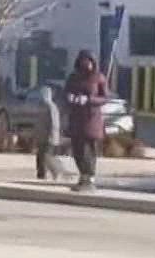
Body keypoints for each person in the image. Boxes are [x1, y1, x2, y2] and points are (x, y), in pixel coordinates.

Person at [62, 50, 108, 192]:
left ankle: (89, 178)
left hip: (91, 120)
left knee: (89, 150)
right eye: (83, 61)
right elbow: (65, 92)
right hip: (76, 119)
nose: (86, 64)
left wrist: (89, 100)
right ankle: (82, 176)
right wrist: (70, 98)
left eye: (89, 61)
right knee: (77, 150)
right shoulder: (74, 77)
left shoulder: (98, 78)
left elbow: (105, 98)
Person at [35, 83, 70, 181]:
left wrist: (52, 137)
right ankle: (41, 175)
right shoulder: (40, 106)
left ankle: (57, 171)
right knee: (40, 157)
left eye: (44, 94)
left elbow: (54, 124)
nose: (42, 96)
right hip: (41, 137)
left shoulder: (51, 107)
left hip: (49, 137)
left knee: (47, 156)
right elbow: (38, 123)